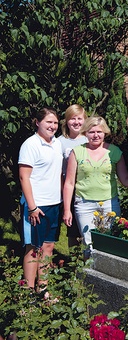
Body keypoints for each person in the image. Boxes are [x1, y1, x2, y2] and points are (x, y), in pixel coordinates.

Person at [63, 115, 128, 256]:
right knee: (89, 244)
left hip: (109, 204)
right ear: (85, 133)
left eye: (99, 132)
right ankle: (90, 275)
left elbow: (125, 180)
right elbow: (69, 183)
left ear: (105, 133)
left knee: (111, 242)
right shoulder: (77, 152)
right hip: (84, 205)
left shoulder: (114, 152)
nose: (96, 135)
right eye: (91, 132)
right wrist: (67, 210)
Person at [18, 107, 63, 288]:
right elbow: (24, 177)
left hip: (54, 204)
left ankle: (43, 289)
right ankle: (28, 292)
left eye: (55, 123)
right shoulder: (31, 144)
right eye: (48, 122)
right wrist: (32, 206)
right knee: (33, 249)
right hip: (36, 206)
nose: (52, 126)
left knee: (48, 248)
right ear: (37, 122)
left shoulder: (57, 143)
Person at [58, 104, 88, 247]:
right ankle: (74, 263)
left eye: (79, 118)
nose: (76, 122)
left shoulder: (89, 140)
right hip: (69, 188)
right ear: (66, 121)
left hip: (86, 188)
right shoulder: (59, 142)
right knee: (73, 231)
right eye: (72, 119)